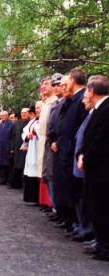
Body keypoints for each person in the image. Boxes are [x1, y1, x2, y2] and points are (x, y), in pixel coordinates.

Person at [52, 68, 88, 232]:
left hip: (73, 151)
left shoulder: (80, 101)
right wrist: (56, 140)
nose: (63, 87)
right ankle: (72, 221)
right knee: (67, 187)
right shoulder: (70, 101)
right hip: (63, 149)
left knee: (76, 189)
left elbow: (81, 128)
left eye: (65, 84)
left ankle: (79, 224)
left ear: (72, 81)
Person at [78, 75, 109, 261]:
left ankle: (104, 247)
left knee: (102, 207)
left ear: (92, 91)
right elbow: (88, 137)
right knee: (96, 206)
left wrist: (85, 157)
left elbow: (101, 141)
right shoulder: (99, 109)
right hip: (95, 168)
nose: (86, 95)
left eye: (87, 91)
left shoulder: (106, 110)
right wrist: (81, 154)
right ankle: (100, 242)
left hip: (103, 169)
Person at [70, 82, 95, 242]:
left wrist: (83, 154)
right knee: (80, 195)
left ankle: (89, 230)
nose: (83, 100)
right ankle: (84, 227)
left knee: (87, 197)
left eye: (85, 97)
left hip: (91, 163)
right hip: (81, 159)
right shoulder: (92, 113)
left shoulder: (99, 113)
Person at [44, 74, 66, 218]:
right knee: (49, 175)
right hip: (50, 144)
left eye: (59, 85)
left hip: (59, 145)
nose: (57, 87)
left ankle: (59, 210)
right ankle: (56, 208)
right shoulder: (54, 104)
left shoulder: (61, 103)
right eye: (55, 85)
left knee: (56, 176)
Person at [37, 76, 58, 208]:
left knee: (51, 173)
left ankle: (55, 206)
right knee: (45, 173)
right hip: (43, 141)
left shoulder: (54, 102)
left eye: (46, 84)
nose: (43, 87)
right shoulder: (46, 103)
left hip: (50, 141)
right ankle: (53, 205)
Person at [23, 102, 42, 204]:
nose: (37, 110)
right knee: (30, 172)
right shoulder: (33, 121)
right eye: (36, 108)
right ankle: (30, 197)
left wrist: (36, 130)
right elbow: (24, 131)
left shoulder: (42, 120)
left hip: (39, 148)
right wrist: (27, 136)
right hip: (31, 148)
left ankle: (38, 199)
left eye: (39, 108)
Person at [9, 108, 29, 189]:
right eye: (22, 113)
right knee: (16, 165)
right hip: (17, 147)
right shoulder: (16, 123)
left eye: (25, 113)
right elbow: (12, 136)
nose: (23, 114)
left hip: (26, 147)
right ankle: (16, 183)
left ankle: (24, 183)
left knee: (25, 165)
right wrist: (12, 147)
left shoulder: (30, 122)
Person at [0, 111, 14, 185]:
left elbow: (13, 137)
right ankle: (2, 178)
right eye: (1, 116)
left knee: (8, 164)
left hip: (8, 147)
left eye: (4, 116)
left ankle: (8, 179)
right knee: (0, 164)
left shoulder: (11, 124)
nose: (2, 117)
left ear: (7, 116)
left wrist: (12, 148)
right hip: (0, 147)